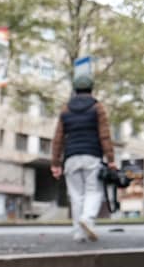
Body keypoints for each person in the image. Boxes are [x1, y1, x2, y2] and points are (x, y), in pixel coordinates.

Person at [50, 73, 116, 242]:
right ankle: (87, 219)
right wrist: (111, 159)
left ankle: (79, 233)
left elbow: (58, 138)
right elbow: (104, 135)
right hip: (92, 155)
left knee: (76, 195)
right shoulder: (97, 107)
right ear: (91, 89)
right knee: (93, 191)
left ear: (75, 89)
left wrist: (55, 163)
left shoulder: (66, 109)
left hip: (71, 157)